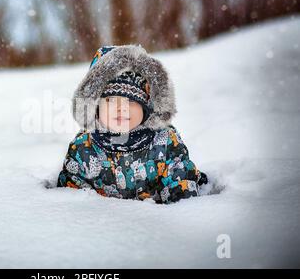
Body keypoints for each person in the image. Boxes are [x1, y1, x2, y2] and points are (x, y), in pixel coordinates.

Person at [57, 44, 208, 203]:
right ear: (95, 107)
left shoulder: (165, 142)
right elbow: (71, 197)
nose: (121, 108)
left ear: (147, 107)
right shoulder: (83, 148)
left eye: (130, 101)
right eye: (111, 100)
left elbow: (180, 181)